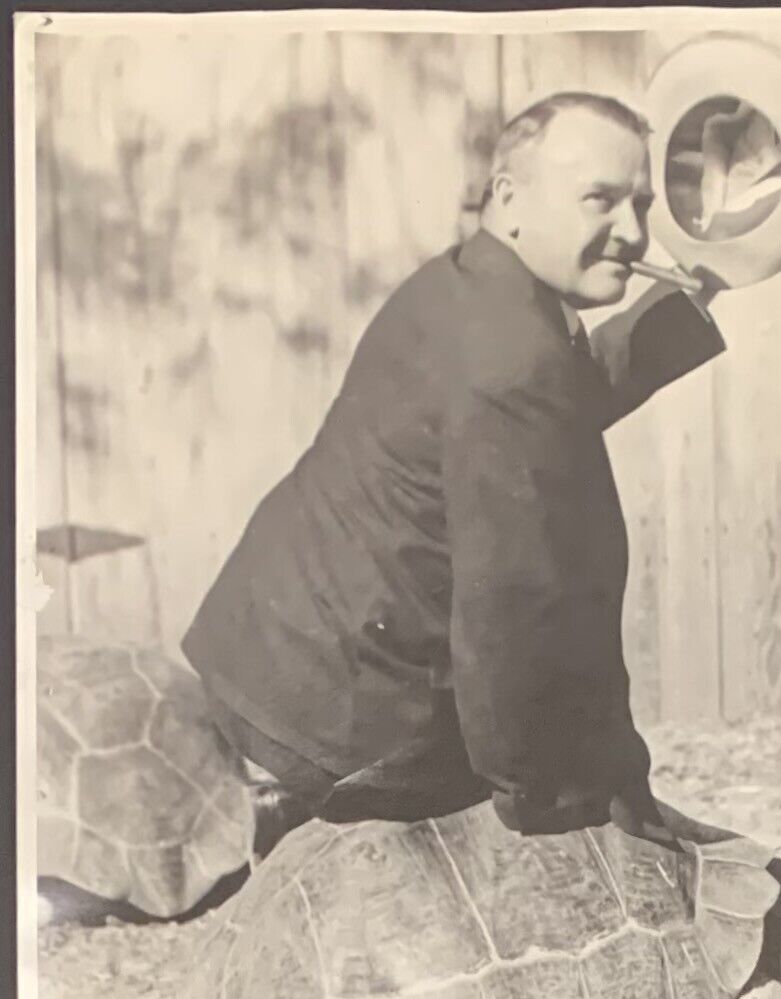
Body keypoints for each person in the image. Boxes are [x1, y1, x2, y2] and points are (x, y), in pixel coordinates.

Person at [182, 91, 729, 854]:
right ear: (509, 199)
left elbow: (548, 404)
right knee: (575, 775)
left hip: (273, 655)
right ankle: (303, 816)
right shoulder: (509, 357)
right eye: (599, 200)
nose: (633, 232)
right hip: (335, 717)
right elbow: (519, 609)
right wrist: (562, 798)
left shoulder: (474, 284)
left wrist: (677, 314)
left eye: (640, 204)